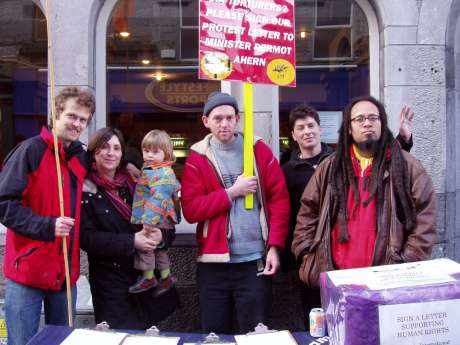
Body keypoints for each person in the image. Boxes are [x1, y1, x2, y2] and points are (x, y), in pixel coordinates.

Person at [282, 104, 415, 327]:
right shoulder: (285, 170)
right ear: (294, 135)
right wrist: (302, 255)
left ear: (320, 128)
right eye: (301, 128)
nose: (307, 131)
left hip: (345, 254)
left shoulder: (339, 161)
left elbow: (383, 162)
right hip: (313, 257)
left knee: (358, 321)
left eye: (311, 126)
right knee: (319, 321)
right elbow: (289, 215)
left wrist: (403, 141)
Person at [291, 96, 437, 289]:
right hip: (336, 281)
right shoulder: (329, 168)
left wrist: (406, 263)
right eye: (359, 119)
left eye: (373, 118)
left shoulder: (408, 167)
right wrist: (308, 254)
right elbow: (308, 213)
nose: (367, 122)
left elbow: (425, 218)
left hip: (387, 283)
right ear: (349, 128)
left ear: (382, 124)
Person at [181, 91, 290, 334]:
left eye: (229, 117)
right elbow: (191, 209)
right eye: (218, 118)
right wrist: (232, 192)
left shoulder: (257, 149)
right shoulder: (197, 158)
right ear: (205, 121)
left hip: (254, 262)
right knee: (214, 334)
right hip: (213, 264)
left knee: (255, 334)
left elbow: (279, 200)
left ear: (238, 118)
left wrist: (274, 247)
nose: (224, 124)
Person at [0, 87, 95, 345]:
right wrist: (46, 225)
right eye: (72, 116)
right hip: (27, 273)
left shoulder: (81, 157)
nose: (77, 124)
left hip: (65, 275)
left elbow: (107, 174)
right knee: (22, 343)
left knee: (61, 342)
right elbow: (4, 204)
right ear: (56, 114)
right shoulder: (29, 151)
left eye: (83, 119)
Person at [79, 128, 178, 329]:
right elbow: (86, 238)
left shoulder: (136, 183)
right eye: (104, 147)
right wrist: (132, 241)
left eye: (116, 148)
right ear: (94, 152)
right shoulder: (85, 189)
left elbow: (167, 220)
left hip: (143, 280)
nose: (111, 153)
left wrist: (162, 235)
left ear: (122, 153)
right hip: (111, 285)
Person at [130, 129, 180, 294]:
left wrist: (148, 223)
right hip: (160, 217)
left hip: (156, 217)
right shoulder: (153, 169)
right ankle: (165, 277)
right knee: (159, 249)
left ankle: (149, 277)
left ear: (166, 154)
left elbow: (158, 199)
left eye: (155, 151)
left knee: (146, 247)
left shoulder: (163, 175)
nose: (149, 155)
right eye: (146, 151)